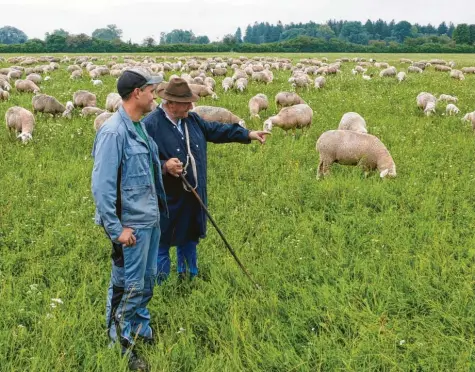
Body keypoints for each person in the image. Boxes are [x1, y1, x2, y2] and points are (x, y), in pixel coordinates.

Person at [143, 78, 269, 284]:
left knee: (189, 236)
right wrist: (164, 165)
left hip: (193, 194)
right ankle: (161, 284)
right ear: (170, 103)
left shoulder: (192, 120)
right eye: (186, 103)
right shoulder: (151, 125)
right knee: (162, 240)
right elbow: (139, 160)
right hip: (165, 197)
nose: (191, 106)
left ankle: (188, 277)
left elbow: (217, 130)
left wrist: (248, 134)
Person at [91, 68, 167, 371]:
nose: (154, 96)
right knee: (129, 286)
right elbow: (102, 186)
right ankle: (120, 344)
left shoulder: (139, 127)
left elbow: (142, 170)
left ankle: (138, 329)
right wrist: (116, 229)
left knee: (145, 283)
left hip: (149, 219)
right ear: (138, 92)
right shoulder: (113, 132)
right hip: (131, 227)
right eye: (152, 91)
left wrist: (165, 168)